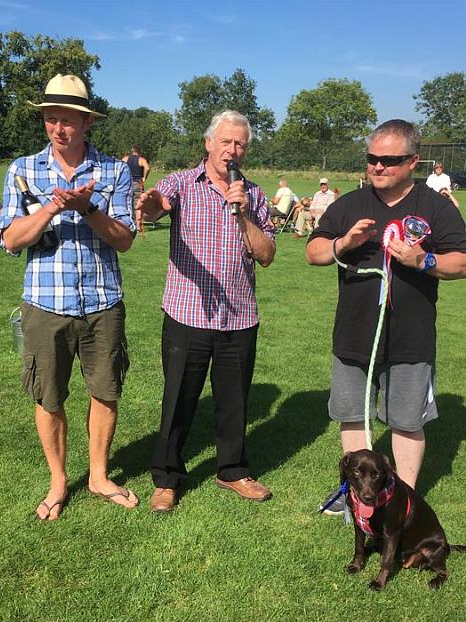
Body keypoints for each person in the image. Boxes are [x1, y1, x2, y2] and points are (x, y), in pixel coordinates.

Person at [0, 74, 138, 520]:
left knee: (105, 392)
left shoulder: (113, 170)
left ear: (86, 123)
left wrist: (87, 209)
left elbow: (125, 240)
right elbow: (10, 240)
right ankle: (58, 480)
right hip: (45, 304)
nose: (58, 128)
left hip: (102, 302)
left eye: (68, 120)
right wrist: (53, 207)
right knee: (48, 397)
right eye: (51, 119)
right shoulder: (23, 170)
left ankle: (97, 475)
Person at [306, 119, 466, 515]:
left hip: (410, 337)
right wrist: (344, 242)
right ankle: (355, 493)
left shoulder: (435, 207)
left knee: (406, 420)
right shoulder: (350, 205)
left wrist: (422, 259)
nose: (378, 167)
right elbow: (314, 253)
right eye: (372, 158)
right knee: (352, 414)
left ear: (413, 161)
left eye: (389, 160)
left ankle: (403, 501)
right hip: (354, 334)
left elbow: (461, 260)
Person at [136, 110, 276, 513]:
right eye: (226, 142)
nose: (232, 150)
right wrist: (151, 205)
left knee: (235, 402)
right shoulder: (181, 183)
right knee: (178, 399)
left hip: (239, 318)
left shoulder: (254, 194)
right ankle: (166, 477)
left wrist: (245, 214)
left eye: (240, 144)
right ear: (208, 143)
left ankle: (232, 470)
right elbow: (159, 207)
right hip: (187, 315)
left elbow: (266, 255)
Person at [122, 145, 150, 233]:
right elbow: (147, 167)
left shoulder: (125, 159)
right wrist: (144, 177)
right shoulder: (141, 160)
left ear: (132, 151)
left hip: (126, 183)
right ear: (139, 152)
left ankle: (126, 223)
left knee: (126, 203)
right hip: (137, 183)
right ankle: (137, 225)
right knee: (138, 203)